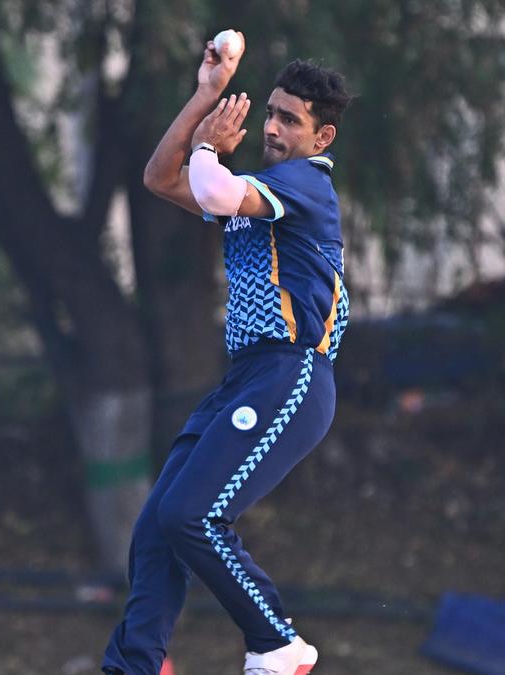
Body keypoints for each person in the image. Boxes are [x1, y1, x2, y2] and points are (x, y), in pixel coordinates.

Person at [100, 31, 351, 675]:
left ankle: (277, 642)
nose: (271, 128)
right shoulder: (259, 191)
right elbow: (160, 178)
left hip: (292, 374)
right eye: (270, 113)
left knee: (195, 516)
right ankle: (134, 666)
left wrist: (209, 146)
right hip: (244, 378)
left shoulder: (307, 183)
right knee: (157, 527)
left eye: (289, 120)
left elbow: (212, 189)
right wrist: (205, 94)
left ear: (321, 138)